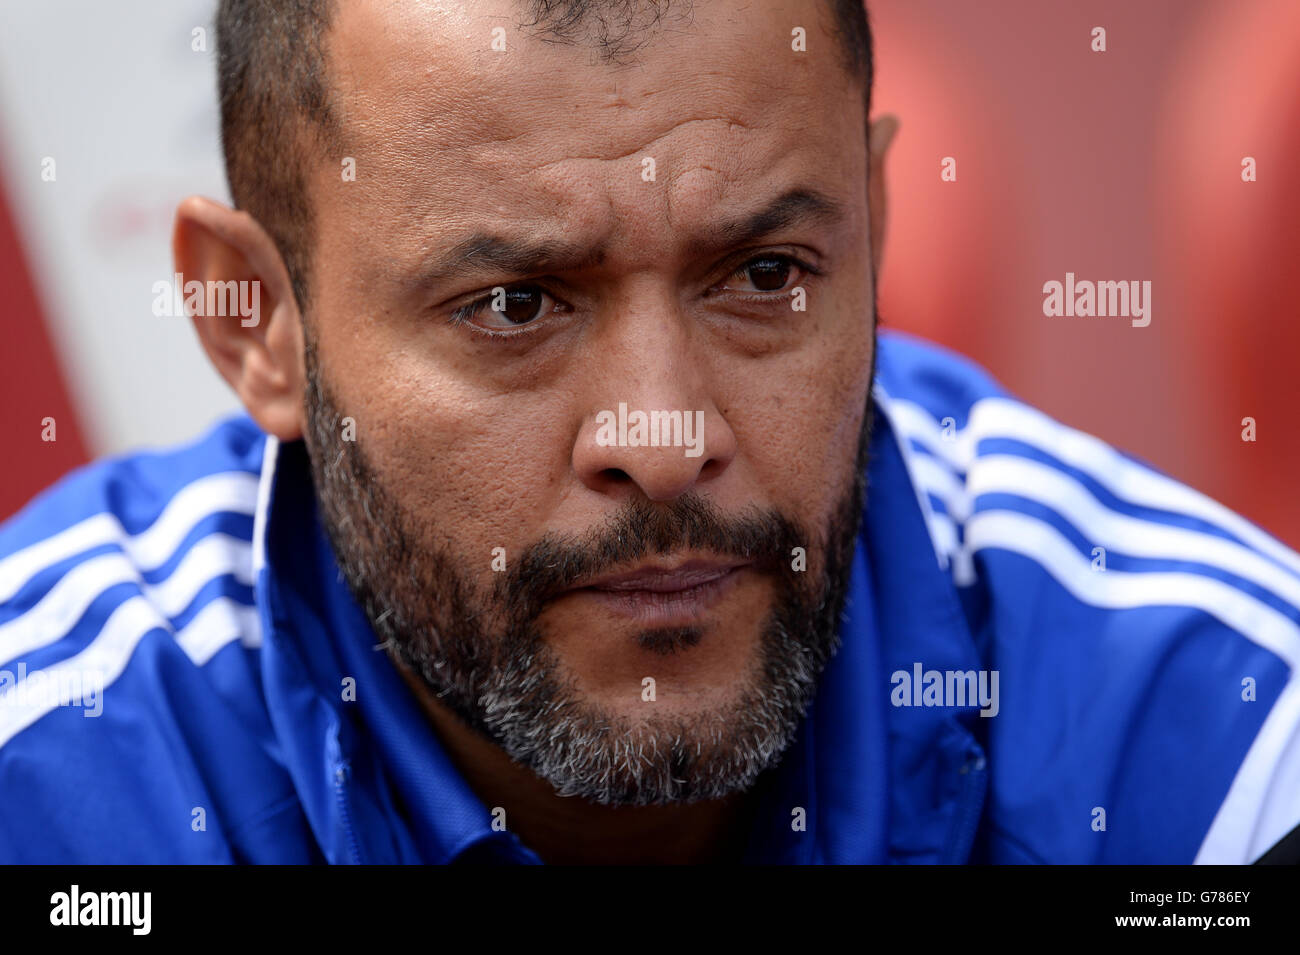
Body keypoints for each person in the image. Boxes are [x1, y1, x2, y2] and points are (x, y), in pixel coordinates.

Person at [0, 0, 1296, 864]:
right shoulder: (54, 776)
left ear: (878, 231)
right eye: (513, 306)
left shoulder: (1220, 749)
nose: (665, 436)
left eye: (766, 276)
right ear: (260, 323)